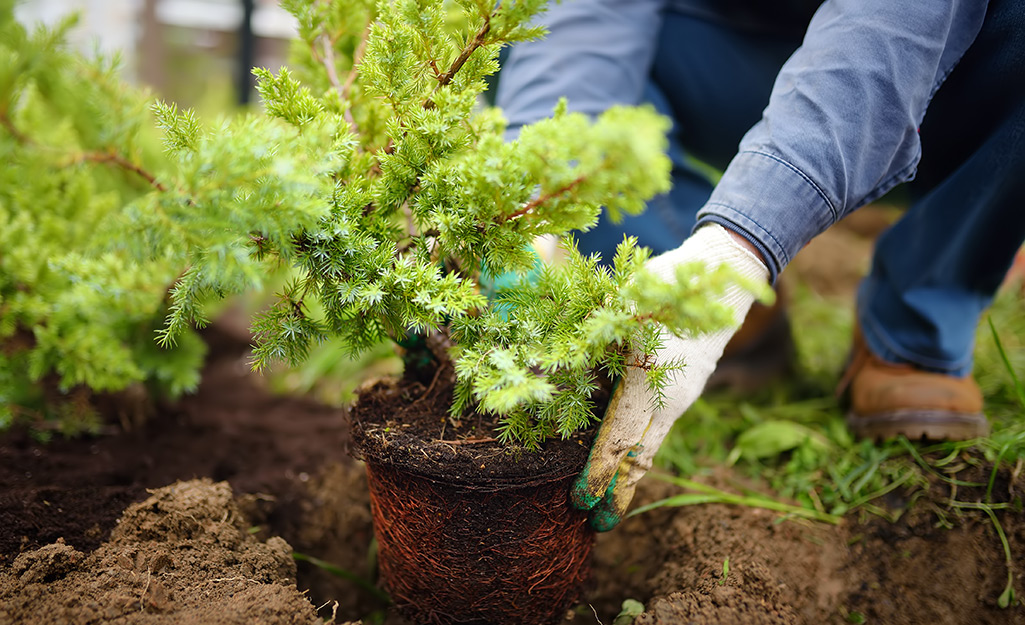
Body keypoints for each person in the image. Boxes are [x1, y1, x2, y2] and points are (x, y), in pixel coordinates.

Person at [495, 0, 1025, 531]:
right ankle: (682, 280)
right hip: (737, 45)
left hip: (941, 68)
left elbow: (893, 25)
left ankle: (917, 320)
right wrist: (536, 183)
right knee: (511, 32)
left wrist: (742, 245)